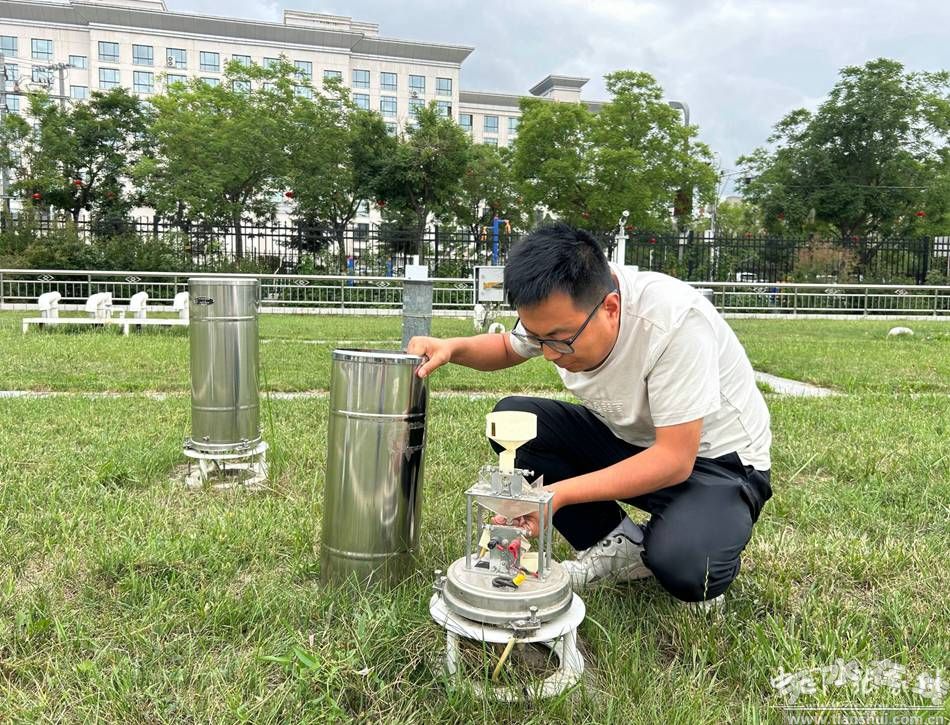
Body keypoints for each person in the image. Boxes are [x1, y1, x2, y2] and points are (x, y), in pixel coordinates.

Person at [407, 223, 772, 607]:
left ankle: (698, 533)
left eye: (560, 340)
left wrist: (555, 496)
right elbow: (506, 346)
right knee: (516, 421)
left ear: (611, 308)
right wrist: (452, 348)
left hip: (715, 464)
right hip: (631, 441)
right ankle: (617, 544)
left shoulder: (673, 323)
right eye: (538, 339)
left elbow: (675, 459)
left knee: (686, 566)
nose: (549, 354)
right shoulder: (564, 307)